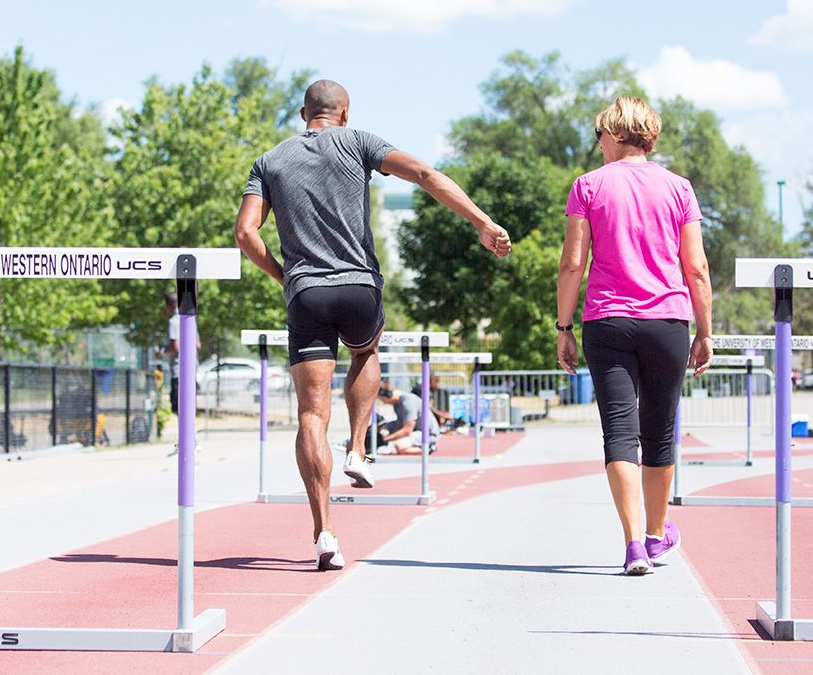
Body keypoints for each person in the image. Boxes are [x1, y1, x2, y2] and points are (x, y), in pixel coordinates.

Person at [234, 79, 512, 571]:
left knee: (310, 415)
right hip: (359, 287)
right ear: (344, 113)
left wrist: (285, 277)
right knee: (365, 351)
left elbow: (246, 233)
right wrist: (482, 222)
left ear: (304, 114)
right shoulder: (360, 141)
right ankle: (360, 448)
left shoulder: (269, 160)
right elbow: (425, 174)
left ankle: (324, 532)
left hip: (307, 292)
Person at [555, 96, 713, 576]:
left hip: (607, 321)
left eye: (600, 134)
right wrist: (705, 331)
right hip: (668, 320)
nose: (598, 143)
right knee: (659, 433)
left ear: (618, 133)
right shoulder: (679, 188)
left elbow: (572, 264)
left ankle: (632, 546)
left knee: (619, 433)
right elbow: (697, 268)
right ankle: (655, 534)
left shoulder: (588, 186)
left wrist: (564, 328)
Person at [376, 383, 440, 455]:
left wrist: (385, 439)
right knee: (384, 426)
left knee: (398, 445)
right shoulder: (397, 404)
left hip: (427, 434)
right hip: (415, 430)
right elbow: (400, 425)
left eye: (382, 399)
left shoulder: (407, 402)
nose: (384, 402)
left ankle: (428, 448)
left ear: (388, 394)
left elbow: (407, 430)